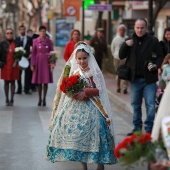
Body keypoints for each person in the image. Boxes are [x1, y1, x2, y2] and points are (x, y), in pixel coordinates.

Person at [46, 43, 117, 170]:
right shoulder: (74, 71)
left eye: (84, 58)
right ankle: (83, 164)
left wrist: (86, 92)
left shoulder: (94, 72)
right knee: (75, 133)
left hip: (93, 104)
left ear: (89, 58)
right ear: (76, 59)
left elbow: (99, 89)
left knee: (98, 129)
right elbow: (68, 89)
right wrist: (72, 93)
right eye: (79, 58)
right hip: (75, 104)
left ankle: (100, 163)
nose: (82, 61)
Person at [119, 18, 164, 136]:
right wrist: (125, 45)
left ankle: (149, 128)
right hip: (135, 79)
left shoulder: (153, 41)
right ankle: (137, 128)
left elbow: (160, 56)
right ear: (134, 27)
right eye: (137, 28)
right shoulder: (130, 40)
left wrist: (156, 65)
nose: (139, 30)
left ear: (146, 28)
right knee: (135, 104)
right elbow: (121, 55)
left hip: (149, 79)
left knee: (150, 104)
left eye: (142, 28)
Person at [31, 26, 54, 106]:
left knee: (45, 82)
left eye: (44, 31)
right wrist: (32, 64)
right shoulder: (35, 41)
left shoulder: (49, 41)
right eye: (41, 31)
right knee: (39, 82)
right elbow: (33, 53)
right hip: (38, 62)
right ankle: (39, 98)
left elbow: (52, 52)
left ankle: (44, 98)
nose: (43, 33)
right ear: (39, 32)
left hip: (46, 63)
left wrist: (52, 63)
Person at [0, 28, 19, 106]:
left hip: (14, 65)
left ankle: (12, 98)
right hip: (6, 65)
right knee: (6, 82)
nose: (9, 34)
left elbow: (20, 53)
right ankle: (7, 98)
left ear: (13, 34)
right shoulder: (2, 43)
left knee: (13, 82)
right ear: (5, 34)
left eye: (11, 33)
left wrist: (18, 59)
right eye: (8, 33)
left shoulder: (16, 43)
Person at [111, 24, 128, 94]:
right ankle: (118, 87)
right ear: (118, 31)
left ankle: (124, 87)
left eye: (123, 30)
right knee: (118, 73)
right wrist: (114, 55)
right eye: (120, 30)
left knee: (125, 73)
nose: (122, 31)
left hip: (124, 59)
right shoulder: (115, 39)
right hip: (117, 58)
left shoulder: (127, 38)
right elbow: (112, 48)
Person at [15, 25, 32, 94]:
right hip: (19, 59)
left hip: (27, 58)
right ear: (19, 31)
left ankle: (26, 89)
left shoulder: (29, 38)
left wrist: (31, 54)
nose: (22, 30)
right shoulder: (17, 39)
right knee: (18, 75)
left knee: (27, 75)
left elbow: (32, 47)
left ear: (25, 30)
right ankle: (19, 89)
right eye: (21, 29)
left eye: (23, 29)